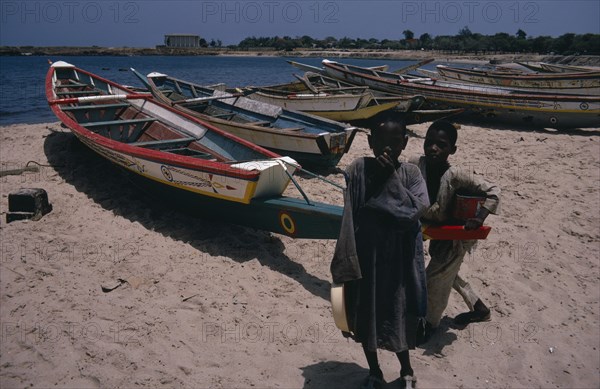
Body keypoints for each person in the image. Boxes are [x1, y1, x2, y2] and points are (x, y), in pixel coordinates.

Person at [331, 112, 429, 389]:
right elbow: (350, 215)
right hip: (366, 258)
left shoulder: (410, 173)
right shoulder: (358, 169)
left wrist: (391, 179)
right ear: (371, 142)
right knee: (366, 318)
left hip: (398, 262)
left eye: (395, 141)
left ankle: (406, 369)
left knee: (398, 315)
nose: (388, 147)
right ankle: (374, 371)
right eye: (381, 141)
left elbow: (415, 209)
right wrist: (345, 259)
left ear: (405, 142)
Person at [410, 120, 501, 343]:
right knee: (446, 274)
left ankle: (429, 324)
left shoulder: (457, 175)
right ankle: (479, 308)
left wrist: (479, 218)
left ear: (452, 150)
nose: (433, 148)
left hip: (455, 237)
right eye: (429, 142)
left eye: (441, 145)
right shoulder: (414, 166)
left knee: (434, 279)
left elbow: (494, 192)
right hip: (432, 230)